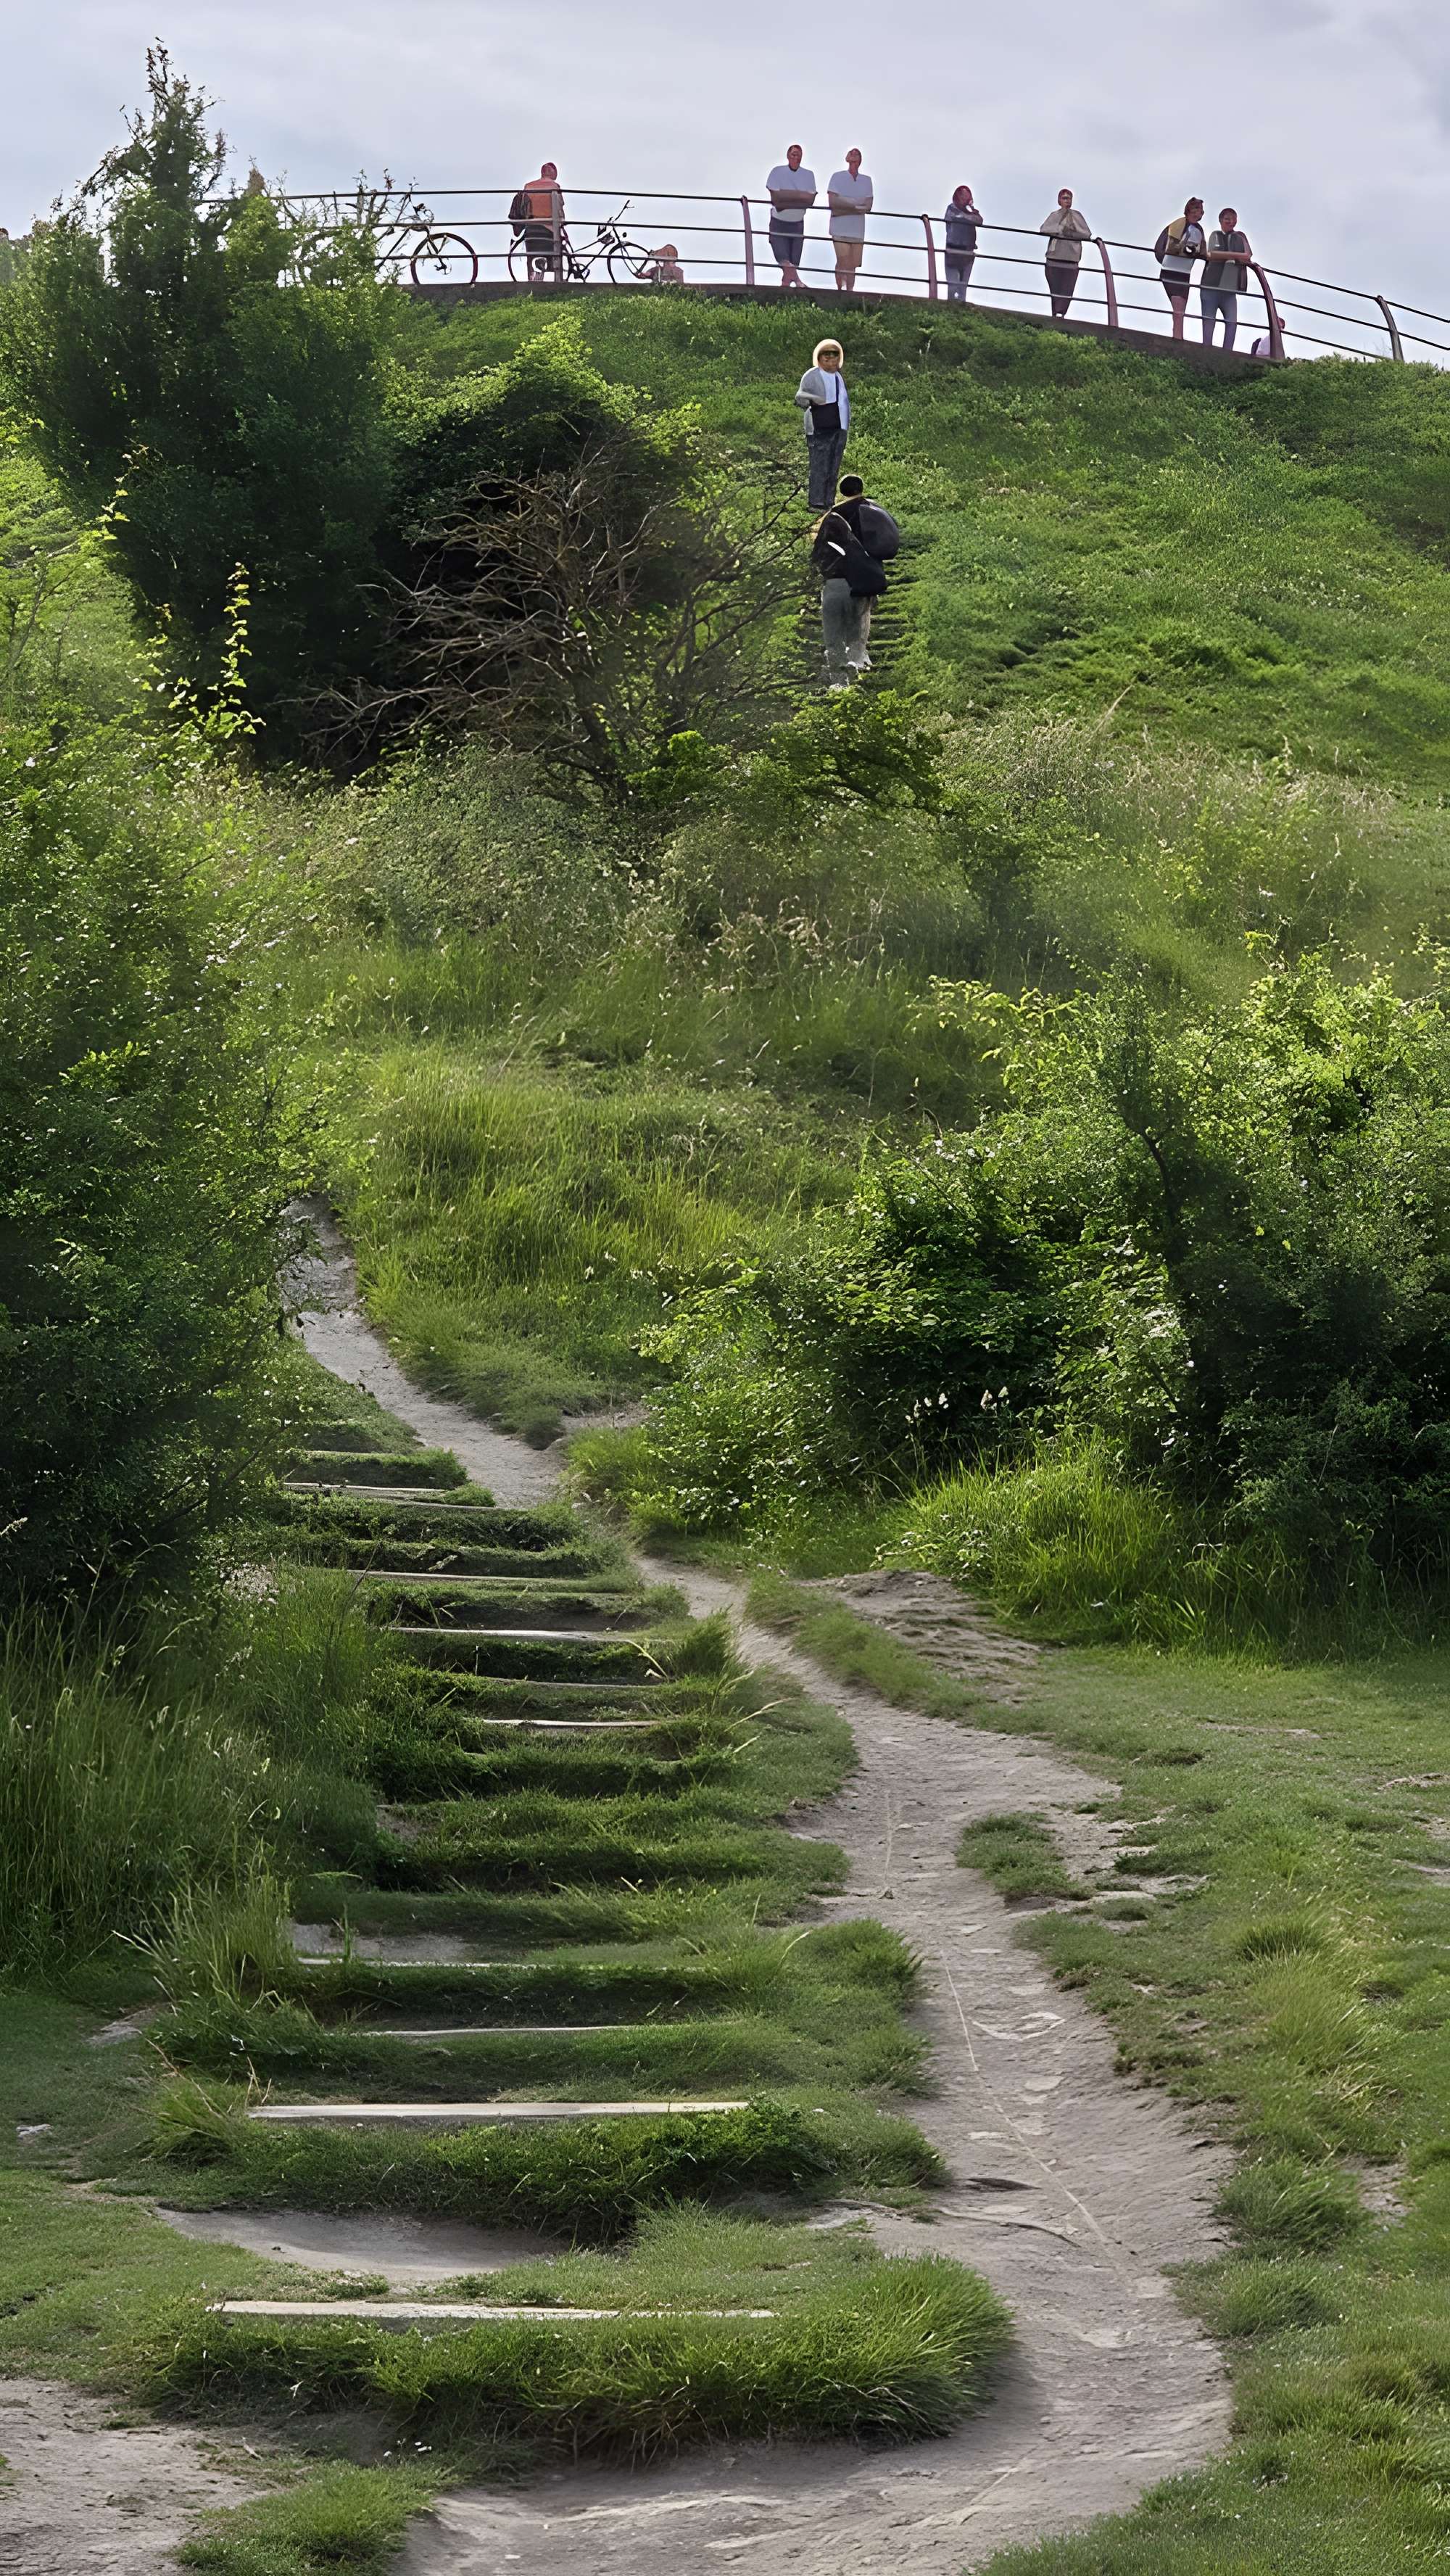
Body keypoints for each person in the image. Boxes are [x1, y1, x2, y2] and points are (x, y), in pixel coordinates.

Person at [812, 498, 887, 686]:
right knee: (856, 633)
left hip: (832, 589)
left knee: (833, 638)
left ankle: (838, 681)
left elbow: (814, 563)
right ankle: (855, 664)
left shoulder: (824, 544)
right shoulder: (858, 546)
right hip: (856, 589)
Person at [832, 472, 899, 670]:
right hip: (869, 569)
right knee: (863, 613)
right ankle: (860, 655)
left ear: (841, 492)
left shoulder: (837, 513)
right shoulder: (874, 509)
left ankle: (845, 655)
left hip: (844, 570)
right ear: (861, 489)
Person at [795, 337, 850, 508]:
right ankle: (816, 502)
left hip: (839, 426)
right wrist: (816, 399)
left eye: (834, 354)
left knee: (833, 466)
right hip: (819, 427)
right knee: (820, 466)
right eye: (826, 354)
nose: (830, 357)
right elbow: (800, 398)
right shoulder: (812, 376)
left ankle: (829, 501)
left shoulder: (838, 377)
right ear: (818, 357)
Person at [1154, 197, 1206, 341]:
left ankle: (1178, 336)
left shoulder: (1198, 230)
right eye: (1196, 209)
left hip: (1185, 273)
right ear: (1189, 210)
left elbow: (1202, 250)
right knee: (1178, 306)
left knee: (1181, 307)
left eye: (1200, 210)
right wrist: (1167, 259)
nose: (1199, 213)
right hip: (1171, 270)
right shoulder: (1177, 225)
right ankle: (1178, 337)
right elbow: (1160, 248)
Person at [766, 146, 816, 288]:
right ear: (788, 156)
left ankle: (785, 289)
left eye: (799, 155)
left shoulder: (808, 175)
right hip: (779, 221)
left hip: (797, 223)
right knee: (782, 258)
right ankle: (799, 282)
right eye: (794, 154)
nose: (796, 158)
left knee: (793, 262)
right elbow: (776, 197)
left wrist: (786, 196)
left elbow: (810, 199)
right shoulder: (777, 172)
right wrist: (799, 196)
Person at [1201, 207, 1251, 350]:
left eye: (1234, 219)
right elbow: (1212, 254)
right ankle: (1207, 349)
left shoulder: (1239, 237)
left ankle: (1228, 351)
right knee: (1209, 320)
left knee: (1232, 322)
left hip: (1230, 289)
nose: (1231, 222)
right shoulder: (1215, 235)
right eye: (1227, 219)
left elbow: (1248, 256)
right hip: (1211, 286)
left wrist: (1234, 255)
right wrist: (1237, 255)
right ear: (1221, 220)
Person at [827, 148, 873, 292]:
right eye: (851, 154)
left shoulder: (866, 180)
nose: (854, 156)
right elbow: (833, 202)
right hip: (839, 229)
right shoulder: (837, 177)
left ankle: (850, 291)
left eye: (857, 154)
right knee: (843, 260)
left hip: (857, 231)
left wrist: (844, 205)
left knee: (853, 264)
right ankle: (840, 289)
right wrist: (855, 205)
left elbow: (868, 205)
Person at [1040, 189, 1090, 318]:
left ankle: (1061, 314)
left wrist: (1071, 232)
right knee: (1055, 289)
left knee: (1067, 289)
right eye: (1065, 198)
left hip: (1071, 259)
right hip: (1054, 256)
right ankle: (1055, 313)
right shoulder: (1054, 215)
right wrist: (1059, 231)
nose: (1067, 201)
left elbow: (1086, 234)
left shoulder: (1077, 216)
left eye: (1069, 198)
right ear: (1059, 200)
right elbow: (1044, 229)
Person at [510, 162, 564, 281]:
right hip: (549, 231)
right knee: (556, 253)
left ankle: (532, 279)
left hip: (531, 230)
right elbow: (560, 211)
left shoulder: (528, 186)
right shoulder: (555, 186)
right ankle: (557, 280)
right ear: (554, 173)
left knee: (531, 258)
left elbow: (523, 208)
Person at [942, 184, 982, 303]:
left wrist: (969, 212)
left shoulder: (972, 212)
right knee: (953, 285)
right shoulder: (952, 209)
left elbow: (979, 221)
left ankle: (960, 306)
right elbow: (954, 217)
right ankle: (952, 306)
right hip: (953, 251)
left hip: (967, 253)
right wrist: (968, 216)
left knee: (963, 286)